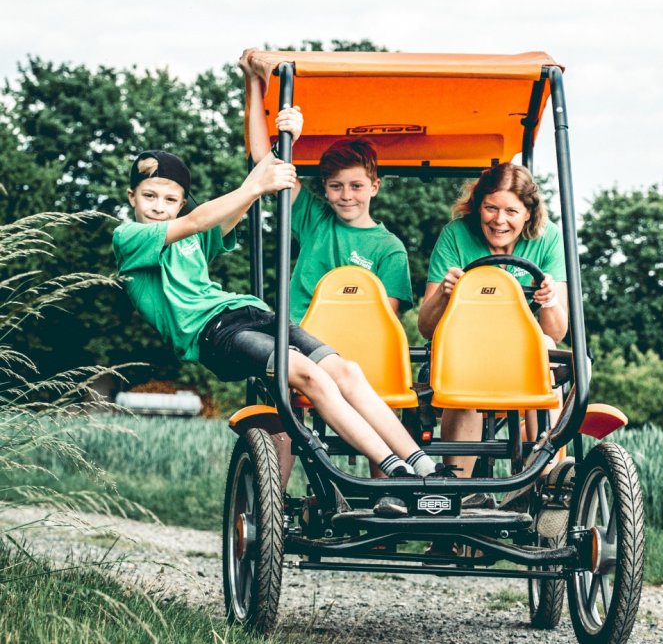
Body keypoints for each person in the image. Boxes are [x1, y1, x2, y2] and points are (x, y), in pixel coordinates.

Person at [113, 149, 443, 516]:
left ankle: (425, 468)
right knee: (307, 374)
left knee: (346, 370)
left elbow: (229, 213)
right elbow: (197, 220)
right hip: (213, 333)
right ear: (132, 197)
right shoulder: (131, 238)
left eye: (170, 199)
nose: (159, 206)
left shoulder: (193, 239)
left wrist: (277, 150)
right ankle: (396, 471)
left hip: (250, 310)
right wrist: (255, 185)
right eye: (150, 196)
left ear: (180, 201)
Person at [417, 163, 568, 506]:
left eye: (511, 211)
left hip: (520, 361)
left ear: (529, 213)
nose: (500, 221)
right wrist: (443, 292)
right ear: (478, 205)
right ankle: (455, 495)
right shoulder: (456, 235)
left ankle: (546, 482)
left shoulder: (548, 239)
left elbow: (557, 330)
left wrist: (550, 301)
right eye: (491, 208)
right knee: (463, 364)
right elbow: (426, 327)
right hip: (464, 355)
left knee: (545, 348)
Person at [240, 49, 412, 324]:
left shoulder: (390, 249)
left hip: (350, 349)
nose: (346, 196)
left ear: (374, 186)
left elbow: (384, 324)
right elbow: (264, 161)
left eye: (356, 186)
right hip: (298, 340)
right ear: (325, 186)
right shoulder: (316, 220)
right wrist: (252, 83)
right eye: (336, 186)